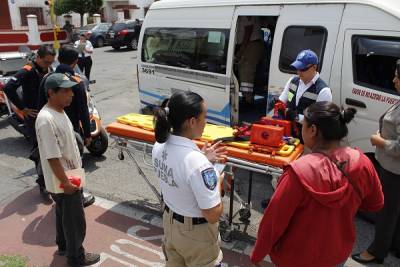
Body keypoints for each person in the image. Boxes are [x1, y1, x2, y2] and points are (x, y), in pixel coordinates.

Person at [250, 101, 384, 267]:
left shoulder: (298, 172)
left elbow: (272, 223)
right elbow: (376, 203)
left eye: (302, 126)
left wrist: (257, 255)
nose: (300, 130)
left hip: (295, 258)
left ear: (313, 130)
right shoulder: (362, 162)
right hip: (336, 254)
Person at [152, 91, 225, 267]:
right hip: (196, 236)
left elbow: (180, 174)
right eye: (204, 117)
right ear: (192, 122)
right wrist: (218, 183)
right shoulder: (198, 164)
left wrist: (202, 158)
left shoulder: (159, 145)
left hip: (170, 224)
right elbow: (213, 214)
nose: (206, 122)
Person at [35, 73, 100, 266]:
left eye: (71, 90)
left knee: (63, 214)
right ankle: (76, 257)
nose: (71, 94)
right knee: (75, 222)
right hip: (64, 180)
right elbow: (52, 156)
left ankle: (63, 246)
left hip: (67, 177)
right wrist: (66, 182)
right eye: (65, 91)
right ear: (51, 93)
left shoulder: (60, 111)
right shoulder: (46, 119)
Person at [352, 59, 400, 264]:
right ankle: (394, 246)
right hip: (391, 167)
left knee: (386, 212)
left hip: (394, 170)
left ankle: (376, 251)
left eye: (398, 76)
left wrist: (379, 140)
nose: (394, 79)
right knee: (395, 211)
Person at [37, 45, 95, 208]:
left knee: (49, 160)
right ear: (76, 61)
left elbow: (39, 103)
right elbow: (84, 111)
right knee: (73, 162)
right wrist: (88, 134)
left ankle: (52, 190)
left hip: (49, 129)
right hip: (70, 130)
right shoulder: (75, 82)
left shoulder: (48, 79)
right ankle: (78, 195)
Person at [4, 44, 56, 198]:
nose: (49, 65)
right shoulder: (27, 71)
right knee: (40, 151)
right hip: (34, 117)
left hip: (48, 114)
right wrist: (22, 108)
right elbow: (8, 88)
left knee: (52, 149)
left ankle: (52, 177)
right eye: (46, 62)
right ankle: (43, 184)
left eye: (51, 62)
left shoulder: (47, 69)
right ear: (38, 57)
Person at [278, 49, 332, 137]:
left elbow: (320, 121)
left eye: (303, 69)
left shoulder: (323, 91)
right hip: (286, 134)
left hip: (308, 140)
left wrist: (296, 117)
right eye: (297, 68)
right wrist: (279, 109)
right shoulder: (292, 81)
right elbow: (282, 102)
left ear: (314, 67)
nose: (299, 72)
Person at [236, 16, 266, 105]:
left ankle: (248, 100)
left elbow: (248, 29)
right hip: (253, 44)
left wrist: (241, 50)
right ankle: (248, 97)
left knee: (246, 71)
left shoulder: (244, 13)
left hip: (251, 44)